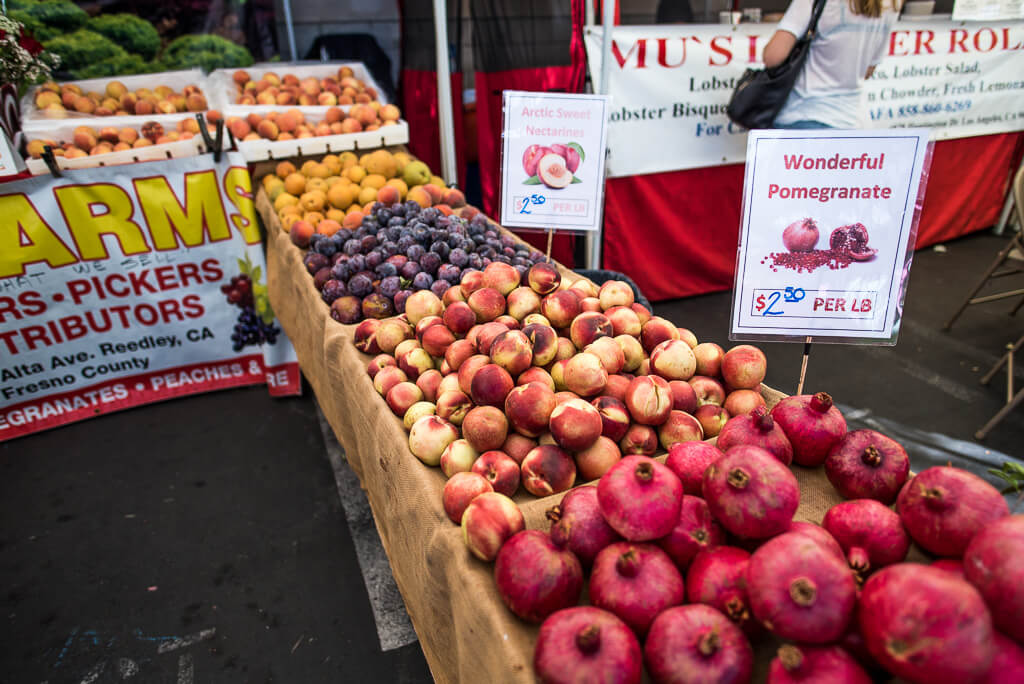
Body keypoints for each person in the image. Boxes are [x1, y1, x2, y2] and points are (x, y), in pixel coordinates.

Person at [762, 0, 900, 128]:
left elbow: (773, 57)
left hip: (805, 114)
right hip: (853, 121)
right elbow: (869, 70)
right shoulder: (890, 3)